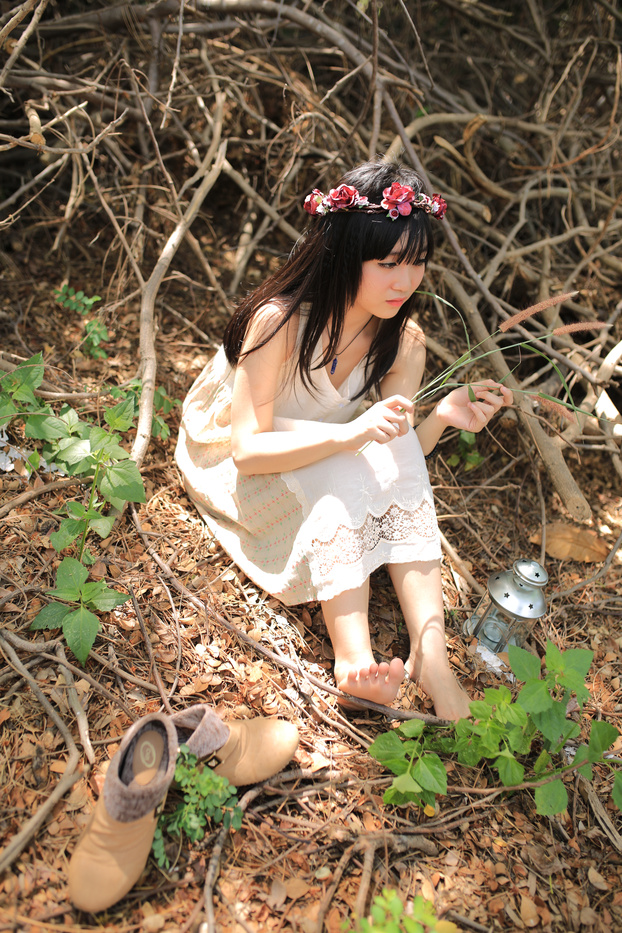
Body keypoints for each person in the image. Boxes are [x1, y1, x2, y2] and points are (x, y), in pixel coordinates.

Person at [175, 160, 512, 721]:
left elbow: (399, 457)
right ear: (345, 253)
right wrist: (352, 436)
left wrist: (441, 420)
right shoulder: (278, 322)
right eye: (386, 264)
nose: (404, 282)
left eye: (418, 264)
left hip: (323, 453)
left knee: (367, 452)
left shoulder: (402, 340)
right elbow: (247, 451)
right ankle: (353, 661)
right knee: (341, 461)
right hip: (238, 462)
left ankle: (434, 662)